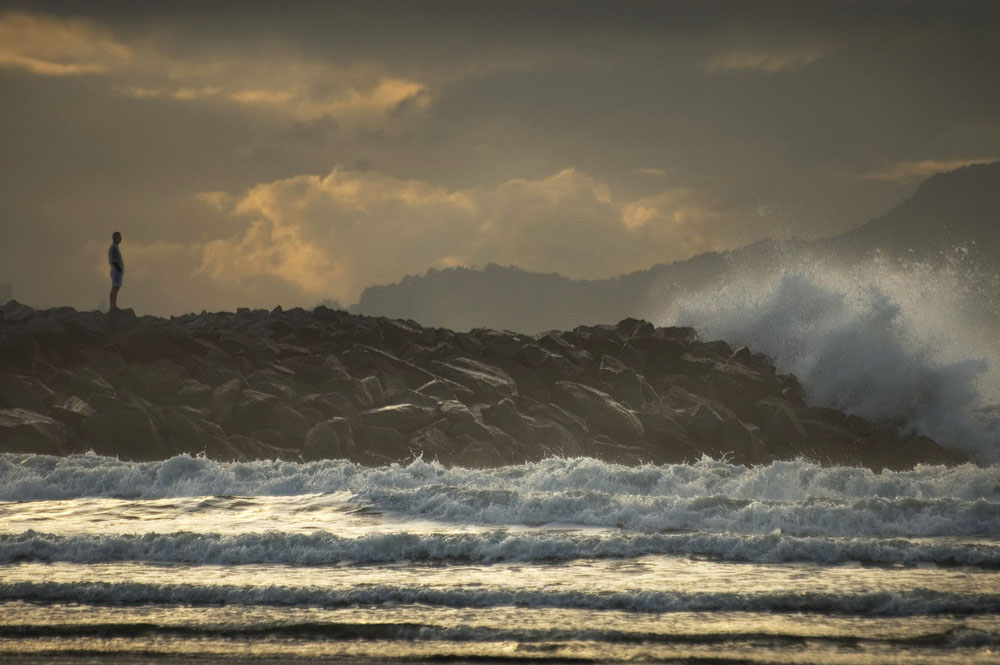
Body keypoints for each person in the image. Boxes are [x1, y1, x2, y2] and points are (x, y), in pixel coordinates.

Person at [108, 231, 124, 312]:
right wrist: (119, 269)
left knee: (116, 288)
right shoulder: (113, 248)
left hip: (117, 271)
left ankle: (114, 304)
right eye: (119, 237)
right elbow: (114, 261)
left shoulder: (115, 247)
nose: (121, 238)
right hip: (116, 270)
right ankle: (112, 305)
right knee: (115, 288)